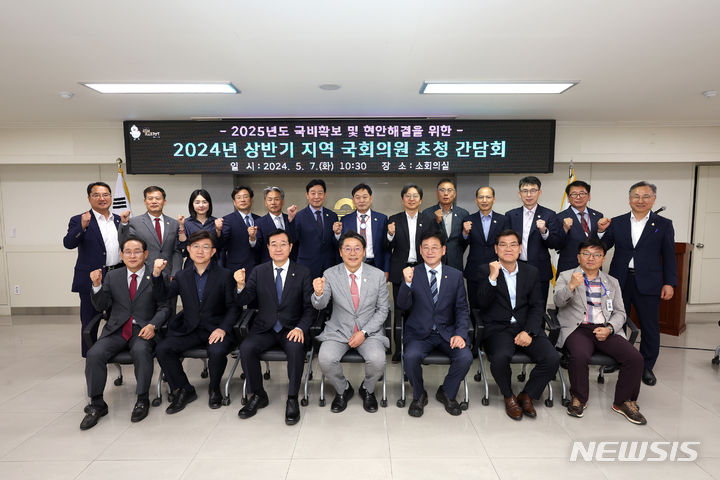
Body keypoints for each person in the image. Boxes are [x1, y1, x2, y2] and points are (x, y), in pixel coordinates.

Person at [554, 239, 646, 425]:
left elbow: (620, 312)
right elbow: (558, 302)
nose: (591, 258)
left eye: (596, 255)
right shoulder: (566, 276)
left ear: (603, 259)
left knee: (635, 358)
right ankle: (579, 398)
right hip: (577, 327)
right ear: (579, 256)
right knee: (579, 355)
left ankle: (623, 401)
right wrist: (571, 286)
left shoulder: (611, 282)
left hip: (605, 328)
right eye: (586, 254)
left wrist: (610, 328)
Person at [81, 237, 169, 430]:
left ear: (146, 254)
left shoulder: (155, 275)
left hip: (143, 329)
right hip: (117, 329)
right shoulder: (113, 276)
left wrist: (153, 325)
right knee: (94, 354)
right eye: (127, 251)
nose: (132, 255)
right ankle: (97, 404)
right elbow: (102, 306)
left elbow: (164, 307)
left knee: (141, 351)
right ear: (121, 255)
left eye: (137, 251)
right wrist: (96, 285)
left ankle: (142, 399)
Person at [597, 181, 677, 386]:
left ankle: (646, 366)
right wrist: (599, 232)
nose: (640, 201)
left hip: (649, 282)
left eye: (645, 196)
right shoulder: (617, 222)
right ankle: (617, 358)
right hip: (619, 280)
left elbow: (669, 256)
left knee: (649, 326)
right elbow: (602, 246)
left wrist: (670, 283)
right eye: (636, 196)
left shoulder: (663, 224)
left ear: (654, 199)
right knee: (617, 321)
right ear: (629, 199)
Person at [477, 230, 560, 420]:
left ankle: (527, 395)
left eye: (513, 244)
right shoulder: (485, 270)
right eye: (503, 245)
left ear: (520, 248)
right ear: (496, 249)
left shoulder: (531, 272)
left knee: (552, 358)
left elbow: (537, 306)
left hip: (526, 327)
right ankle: (508, 396)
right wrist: (492, 277)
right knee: (500, 358)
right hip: (498, 328)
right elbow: (481, 303)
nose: (508, 249)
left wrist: (529, 331)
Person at [152, 230, 239, 413]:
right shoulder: (182, 276)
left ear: (213, 252)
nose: (200, 251)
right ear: (189, 250)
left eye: (206, 247)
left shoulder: (224, 275)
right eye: (196, 247)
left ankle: (214, 388)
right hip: (189, 328)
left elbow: (233, 307)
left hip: (216, 329)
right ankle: (184, 389)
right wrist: (157, 275)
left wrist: (223, 329)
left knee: (217, 351)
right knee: (163, 349)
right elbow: (163, 296)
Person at [234, 229, 314, 425]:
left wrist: (300, 329)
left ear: (291, 247)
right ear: (268, 248)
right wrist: (240, 285)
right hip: (264, 328)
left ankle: (292, 398)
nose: (278, 248)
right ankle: (258, 395)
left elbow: (310, 308)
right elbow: (244, 300)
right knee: (246, 348)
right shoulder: (259, 271)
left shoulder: (303, 272)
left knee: (296, 349)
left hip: (291, 328)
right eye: (274, 244)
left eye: (283, 244)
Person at [312, 231, 390, 413]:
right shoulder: (330, 274)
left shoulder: (377, 275)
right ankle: (343, 390)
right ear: (340, 252)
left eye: (357, 249)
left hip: (369, 332)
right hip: (338, 330)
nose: (352, 253)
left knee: (378, 360)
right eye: (347, 249)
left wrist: (364, 333)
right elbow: (320, 305)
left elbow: (383, 310)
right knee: (325, 359)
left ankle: (367, 390)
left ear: (364, 252)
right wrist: (317, 294)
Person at [396, 231, 473, 417]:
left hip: (448, 332)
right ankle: (419, 394)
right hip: (419, 333)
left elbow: (462, 309)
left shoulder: (455, 276)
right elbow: (401, 305)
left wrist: (460, 334)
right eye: (426, 248)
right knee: (410, 356)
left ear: (443, 250)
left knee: (465, 357)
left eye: (435, 247)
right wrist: (406, 283)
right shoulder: (412, 273)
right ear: (420, 251)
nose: (430, 252)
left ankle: (447, 391)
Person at [63, 181, 122, 357]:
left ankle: (113, 351)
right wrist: (82, 226)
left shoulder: (119, 219)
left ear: (111, 197)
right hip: (91, 278)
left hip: (117, 275)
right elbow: (68, 243)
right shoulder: (79, 219)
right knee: (90, 319)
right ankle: (90, 356)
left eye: (105, 195)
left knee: (116, 318)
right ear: (89, 198)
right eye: (96, 195)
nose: (102, 198)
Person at [386, 183, 440, 362]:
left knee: (419, 310)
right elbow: (386, 247)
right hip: (400, 271)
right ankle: (398, 349)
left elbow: (434, 246)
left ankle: (416, 346)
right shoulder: (393, 219)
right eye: (408, 196)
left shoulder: (428, 219)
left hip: (422, 271)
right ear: (403, 199)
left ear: (421, 199)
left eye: (415, 196)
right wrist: (390, 235)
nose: (411, 199)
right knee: (400, 310)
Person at [503, 176, 561, 308]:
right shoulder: (511, 215)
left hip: (540, 270)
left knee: (538, 307)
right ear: (519, 193)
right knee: (516, 307)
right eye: (525, 191)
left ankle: (537, 329)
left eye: (533, 190)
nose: (529, 194)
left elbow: (556, 244)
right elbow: (505, 243)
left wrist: (544, 231)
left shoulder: (549, 215)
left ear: (539, 193)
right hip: (515, 269)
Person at [118, 185, 182, 279]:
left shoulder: (173, 223)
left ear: (164, 202)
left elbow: (176, 251)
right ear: (145, 202)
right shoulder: (134, 222)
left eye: (157, 198)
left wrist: (175, 273)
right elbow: (124, 244)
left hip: (168, 275)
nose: (154, 201)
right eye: (150, 198)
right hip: (143, 275)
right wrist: (124, 224)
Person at [462, 186, 506, 310]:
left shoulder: (503, 220)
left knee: (495, 306)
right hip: (474, 270)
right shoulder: (468, 220)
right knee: (474, 306)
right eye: (481, 197)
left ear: (494, 199)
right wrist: (465, 233)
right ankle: (476, 329)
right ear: (476, 200)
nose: (484, 200)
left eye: (488, 197)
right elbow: (463, 243)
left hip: (496, 270)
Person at [290, 179, 342, 279]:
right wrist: (291, 220)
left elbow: (336, 244)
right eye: (313, 193)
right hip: (306, 267)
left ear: (325, 194)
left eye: (320, 193)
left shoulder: (332, 216)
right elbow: (292, 239)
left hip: (329, 266)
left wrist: (337, 234)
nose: (317, 197)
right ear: (307, 195)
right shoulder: (299, 216)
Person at [554, 180, 603, 276]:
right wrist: (564, 229)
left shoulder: (598, 216)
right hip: (569, 268)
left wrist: (601, 231)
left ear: (589, 196)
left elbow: (601, 243)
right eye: (574, 194)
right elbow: (556, 245)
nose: (578, 197)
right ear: (568, 198)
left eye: (582, 193)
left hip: (593, 268)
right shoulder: (559, 217)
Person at [340, 183, 390, 275]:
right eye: (358, 197)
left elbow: (386, 247)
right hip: (353, 265)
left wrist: (386, 269)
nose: (361, 201)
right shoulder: (345, 220)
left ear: (371, 199)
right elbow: (339, 245)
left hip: (376, 265)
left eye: (365, 197)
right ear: (353, 200)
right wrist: (336, 234)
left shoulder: (382, 219)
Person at [422, 178, 469, 271]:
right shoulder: (427, 213)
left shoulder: (463, 213)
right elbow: (424, 237)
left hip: (455, 262)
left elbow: (464, 243)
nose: (446, 193)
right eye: (442, 190)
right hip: (434, 261)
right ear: (437, 193)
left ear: (454, 194)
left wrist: (465, 234)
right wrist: (436, 222)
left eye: (449, 190)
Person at [219, 186, 261, 275]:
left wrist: (253, 239)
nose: (242, 200)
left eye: (245, 196)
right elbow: (221, 244)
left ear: (251, 200)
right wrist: (218, 230)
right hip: (236, 269)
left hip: (258, 268)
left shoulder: (260, 220)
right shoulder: (227, 220)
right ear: (234, 202)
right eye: (239, 197)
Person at [177, 189, 223, 266]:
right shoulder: (186, 222)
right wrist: (181, 225)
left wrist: (218, 230)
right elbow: (183, 245)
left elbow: (220, 245)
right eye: (197, 202)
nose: (201, 205)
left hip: (213, 264)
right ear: (192, 205)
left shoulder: (216, 222)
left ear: (209, 204)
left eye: (204, 202)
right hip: (191, 265)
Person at [255, 186, 298, 263]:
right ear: (265, 203)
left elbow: (295, 241)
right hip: (269, 265)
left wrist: (291, 221)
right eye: (270, 200)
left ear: (283, 202)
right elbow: (257, 247)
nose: (273, 202)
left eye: (277, 199)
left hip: (291, 264)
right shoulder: (259, 222)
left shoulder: (290, 219)